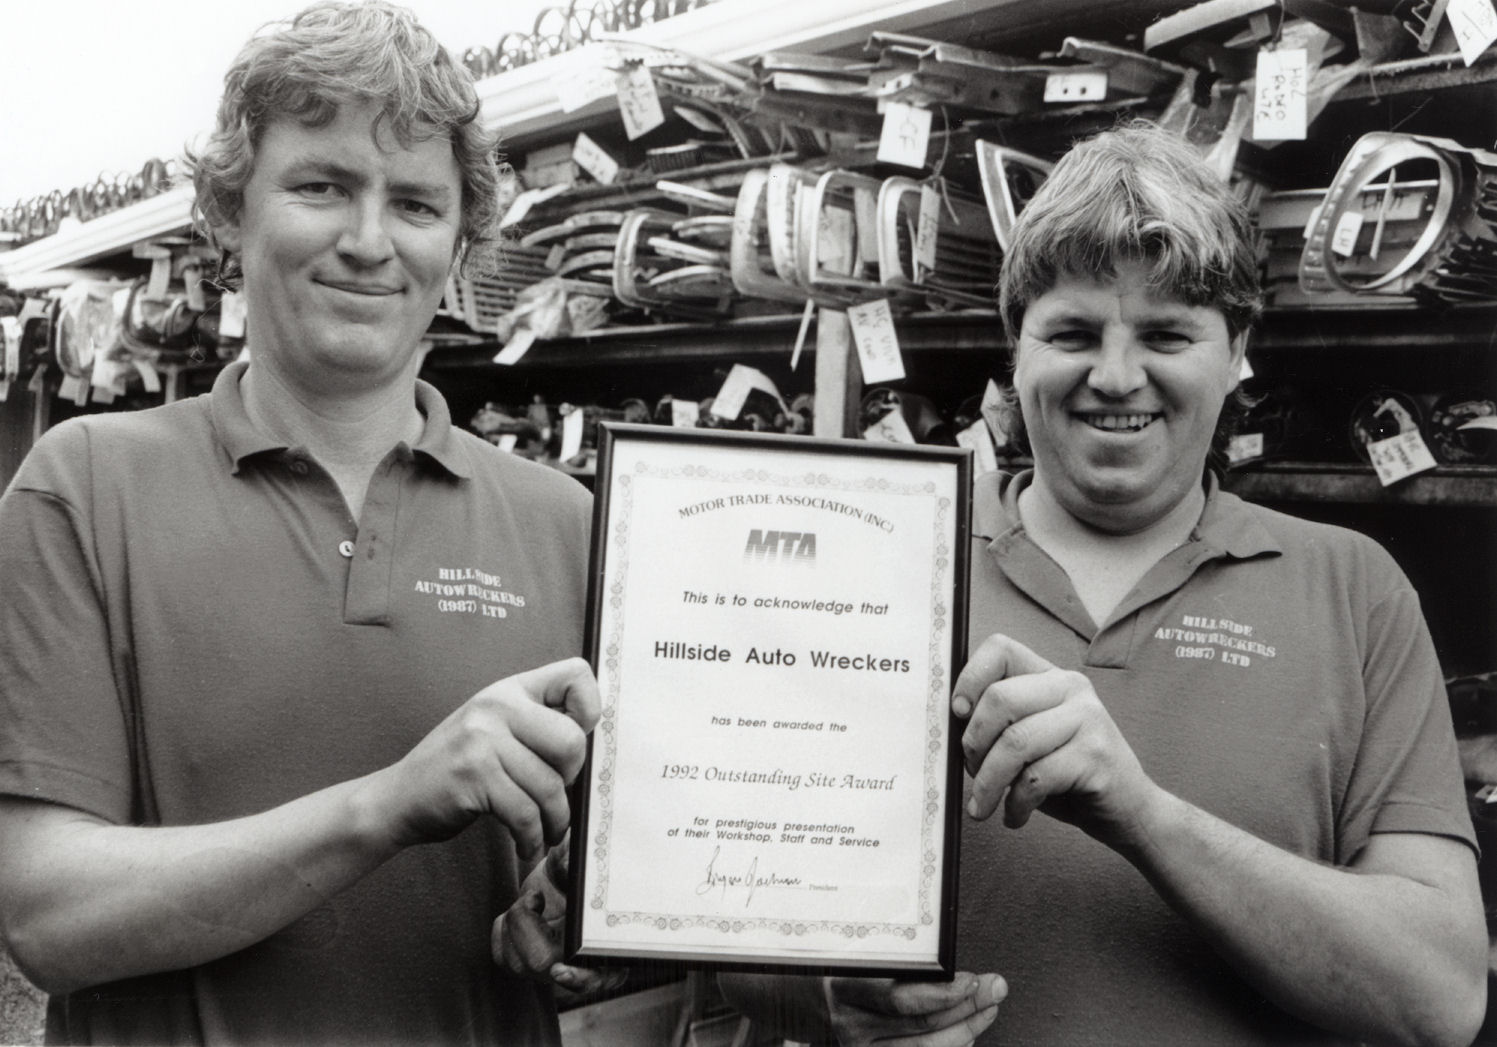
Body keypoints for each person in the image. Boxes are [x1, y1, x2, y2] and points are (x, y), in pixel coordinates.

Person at [720, 122, 1487, 1045]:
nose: (1115, 377)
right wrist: (815, 996)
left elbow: (1440, 998)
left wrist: (1142, 814)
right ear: (1016, 341)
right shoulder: (874, 558)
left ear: (1237, 345)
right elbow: (710, 911)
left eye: (1165, 333)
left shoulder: (1352, 589)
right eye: (1073, 331)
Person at [0, 3, 611, 1043]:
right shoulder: (85, 487)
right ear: (231, 215)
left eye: (415, 204)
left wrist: (578, 929)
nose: (368, 242)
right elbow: (48, 917)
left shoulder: (572, 525)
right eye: (322, 186)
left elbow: (622, 885)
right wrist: (389, 803)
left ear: (462, 244)